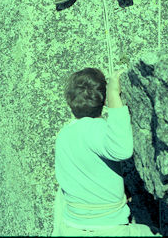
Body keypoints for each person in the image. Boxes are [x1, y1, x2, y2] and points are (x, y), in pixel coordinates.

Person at [53, 68, 154, 237]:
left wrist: (116, 189)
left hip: (72, 226)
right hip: (108, 228)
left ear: (70, 101)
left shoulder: (64, 135)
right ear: (104, 100)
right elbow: (121, 149)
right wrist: (115, 96)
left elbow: (88, 172)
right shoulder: (97, 129)